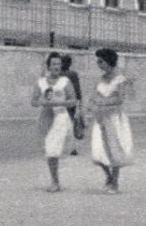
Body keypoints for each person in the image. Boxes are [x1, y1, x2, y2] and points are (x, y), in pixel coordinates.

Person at [88, 48, 136, 193]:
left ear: (109, 61)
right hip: (100, 118)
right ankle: (108, 176)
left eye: (100, 61)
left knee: (114, 150)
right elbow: (93, 97)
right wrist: (89, 108)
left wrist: (103, 102)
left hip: (115, 118)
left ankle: (115, 183)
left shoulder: (120, 79)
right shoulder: (100, 79)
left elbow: (120, 98)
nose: (98, 64)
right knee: (98, 151)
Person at [31, 53, 77, 192]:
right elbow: (33, 101)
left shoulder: (65, 81)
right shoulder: (41, 82)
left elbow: (73, 100)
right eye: (53, 64)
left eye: (58, 64)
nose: (56, 67)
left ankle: (55, 182)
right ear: (48, 66)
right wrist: (42, 102)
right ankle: (54, 180)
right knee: (49, 150)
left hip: (60, 119)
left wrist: (60, 102)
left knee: (54, 149)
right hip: (46, 118)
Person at [60, 52, 85, 151]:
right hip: (71, 103)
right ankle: (72, 147)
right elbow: (77, 89)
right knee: (70, 124)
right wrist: (79, 102)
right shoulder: (73, 74)